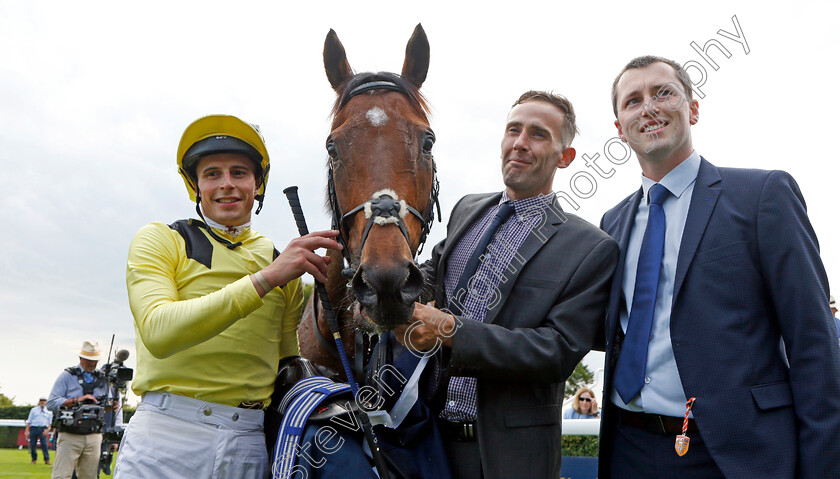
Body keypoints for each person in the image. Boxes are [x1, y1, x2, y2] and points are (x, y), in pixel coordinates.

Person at [598, 55, 840, 479]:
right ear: (619, 128)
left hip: (735, 455)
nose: (648, 107)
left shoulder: (763, 195)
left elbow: (815, 344)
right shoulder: (611, 223)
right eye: (632, 101)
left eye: (663, 93)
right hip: (628, 448)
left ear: (692, 108)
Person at [396, 91, 619, 479]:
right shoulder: (467, 208)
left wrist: (451, 331)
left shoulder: (591, 247)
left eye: (538, 134)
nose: (520, 143)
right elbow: (432, 276)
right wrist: (379, 280)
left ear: (564, 158)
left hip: (506, 458)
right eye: (513, 130)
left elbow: (556, 351)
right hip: (427, 442)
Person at [114, 114, 341, 478]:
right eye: (212, 174)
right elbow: (159, 332)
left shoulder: (281, 263)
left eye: (239, 173)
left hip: (249, 440)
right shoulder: (160, 239)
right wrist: (266, 279)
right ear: (195, 186)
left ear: (257, 184)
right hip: (165, 437)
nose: (227, 185)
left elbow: (287, 364)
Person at [47, 341, 110, 479]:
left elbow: (109, 403)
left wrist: (112, 405)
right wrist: (77, 400)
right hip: (70, 434)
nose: (92, 364)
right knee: (61, 475)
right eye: (89, 360)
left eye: (95, 360)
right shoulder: (67, 376)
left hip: (94, 434)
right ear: (81, 358)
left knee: (90, 476)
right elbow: (51, 403)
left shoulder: (103, 379)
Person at [25, 396, 53, 465]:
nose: (42, 402)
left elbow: (50, 423)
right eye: (41, 401)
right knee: (33, 445)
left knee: (44, 445)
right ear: (39, 402)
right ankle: (34, 459)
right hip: (34, 428)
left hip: (43, 429)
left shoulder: (49, 412)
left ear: (46, 402)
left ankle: (46, 459)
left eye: (44, 401)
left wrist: (47, 430)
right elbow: (29, 421)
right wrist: (26, 431)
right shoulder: (33, 410)